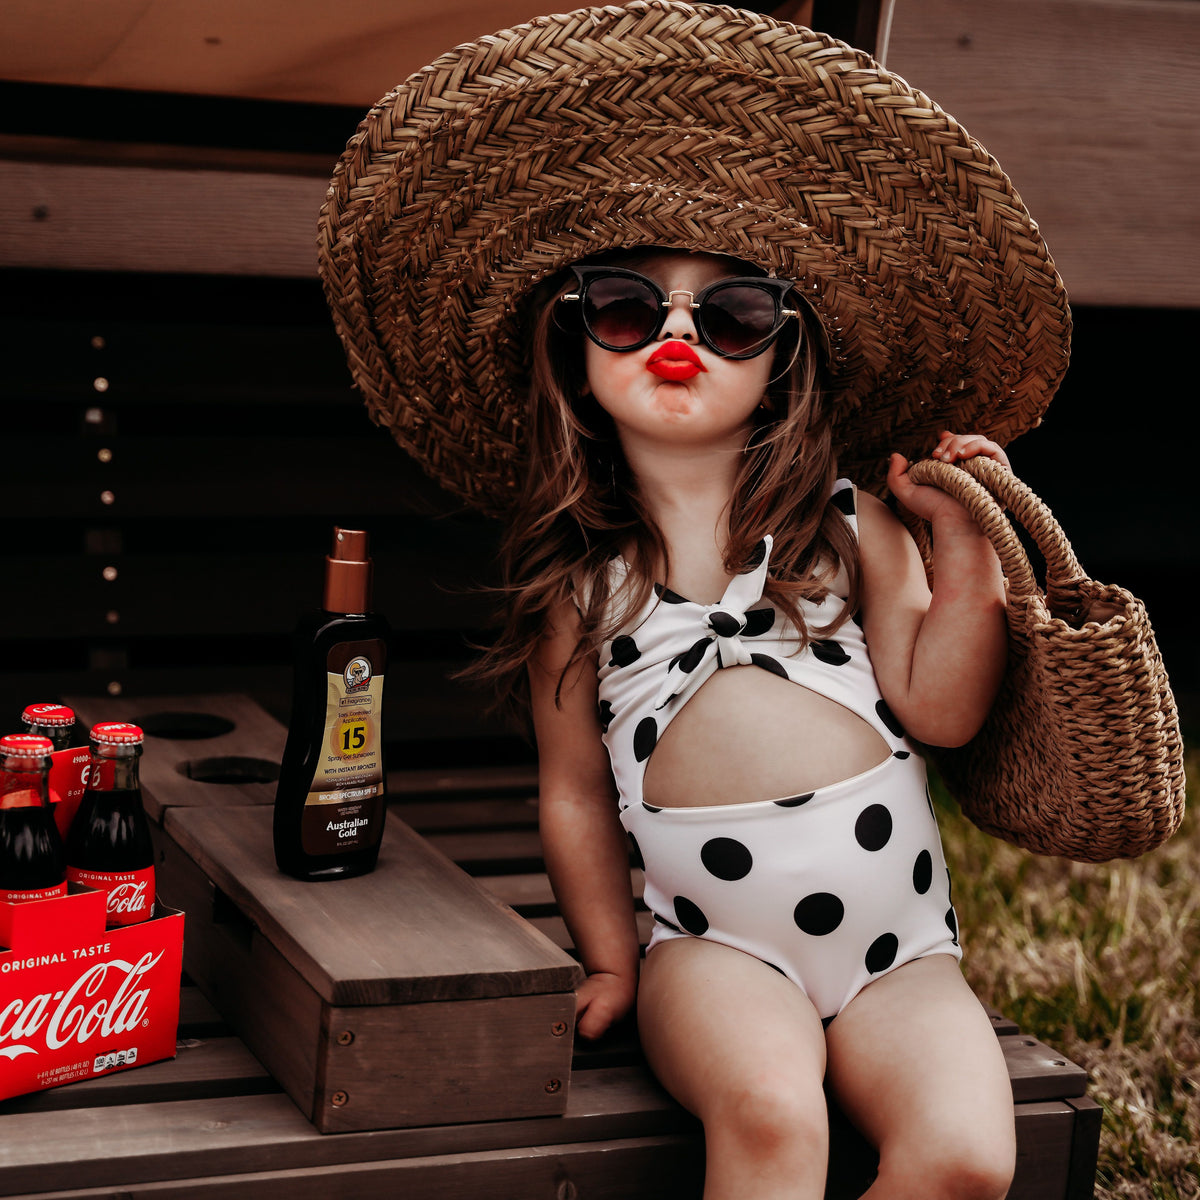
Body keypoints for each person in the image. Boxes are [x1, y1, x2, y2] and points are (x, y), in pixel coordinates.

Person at [317, 5, 1072, 1196]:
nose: (677, 334)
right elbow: (570, 792)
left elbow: (945, 709)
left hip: (901, 958)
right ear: (575, 347)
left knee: (970, 1162)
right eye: (627, 306)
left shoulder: (847, 526)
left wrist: (967, 548)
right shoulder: (586, 583)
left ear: (785, 355)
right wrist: (609, 961)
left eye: (731, 315)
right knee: (773, 1123)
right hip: (716, 954)